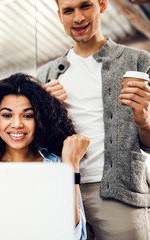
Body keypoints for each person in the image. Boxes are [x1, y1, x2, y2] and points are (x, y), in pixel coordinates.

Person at [37, 0, 150, 239]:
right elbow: (37, 144)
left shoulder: (140, 62)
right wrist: (42, 113)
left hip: (122, 193)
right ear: (59, 15)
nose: (78, 18)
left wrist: (143, 120)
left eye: (85, 6)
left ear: (102, 5)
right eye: (68, 10)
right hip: (63, 191)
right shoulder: (46, 74)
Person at [0, 73, 90, 240]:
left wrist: (71, 167)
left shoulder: (56, 165)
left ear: (39, 119)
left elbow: (74, 236)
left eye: (28, 115)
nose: (17, 124)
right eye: (7, 115)